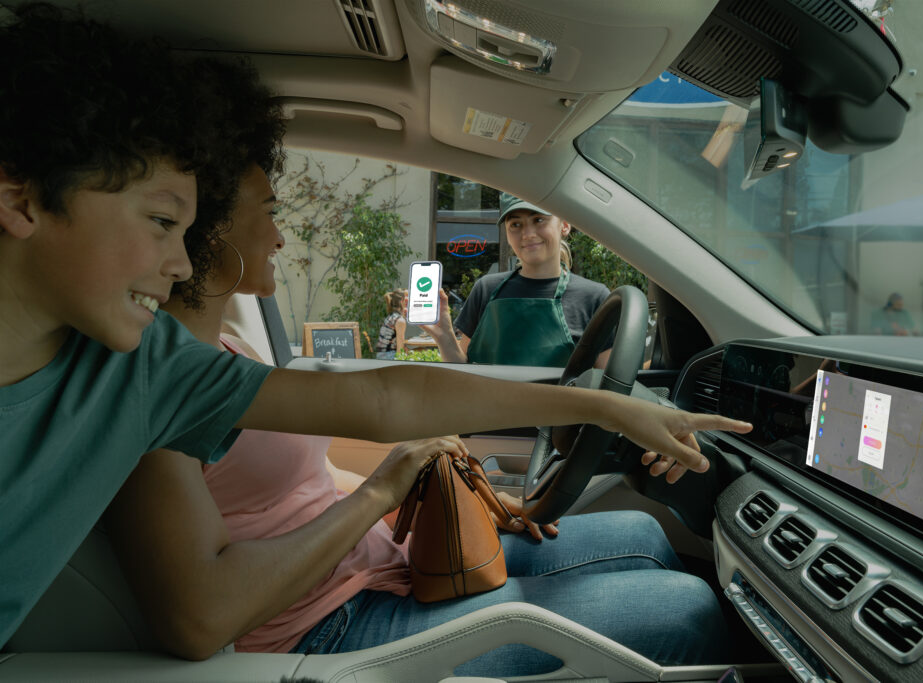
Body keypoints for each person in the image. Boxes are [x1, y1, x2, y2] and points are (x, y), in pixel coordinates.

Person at [0, 5, 753, 650]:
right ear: (21, 200)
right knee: (684, 611)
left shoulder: (152, 363)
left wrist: (602, 404)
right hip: (329, 628)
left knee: (650, 540)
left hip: (370, 571)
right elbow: (200, 614)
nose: (177, 258)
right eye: (164, 221)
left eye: (185, 226)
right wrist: (380, 490)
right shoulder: (135, 371)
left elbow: (387, 401)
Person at [420, 193, 612, 367]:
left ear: (564, 225)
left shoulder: (595, 298)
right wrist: (445, 338)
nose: (527, 234)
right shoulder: (486, 289)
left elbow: (606, 387)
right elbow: (463, 372)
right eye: (515, 225)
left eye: (538, 220)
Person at [374, 289, 407, 359]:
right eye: (407, 300)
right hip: (389, 356)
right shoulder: (400, 320)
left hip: (381, 355)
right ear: (402, 301)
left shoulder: (391, 317)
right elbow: (400, 349)